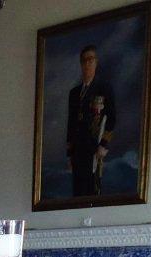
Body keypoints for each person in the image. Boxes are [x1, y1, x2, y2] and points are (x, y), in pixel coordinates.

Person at [66, 45, 117, 197]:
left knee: (92, 191)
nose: (87, 64)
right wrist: (69, 154)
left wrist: (103, 145)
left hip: (94, 148)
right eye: (84, 61)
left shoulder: (104, 88)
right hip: (78, 150)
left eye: (90, 60)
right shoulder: (74, 93)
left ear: (96, 62)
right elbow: (71, 124)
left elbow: (112, 118)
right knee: (77, 192)